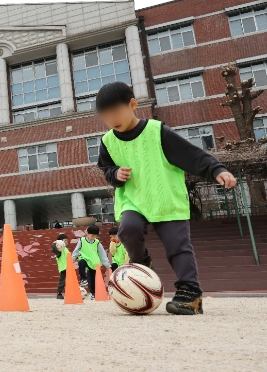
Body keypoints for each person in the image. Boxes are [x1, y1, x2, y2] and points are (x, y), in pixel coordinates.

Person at [96, 82, 236, 315]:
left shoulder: (157, 131)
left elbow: (191, 155)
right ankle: (142, 264)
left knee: (177, 247)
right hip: (134, 200)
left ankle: (189, 294)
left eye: (116, 112)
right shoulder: (108, 141)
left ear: (132, 105)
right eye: (106, 116)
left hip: (166, 200)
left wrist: (217, 170)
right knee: (128, 229)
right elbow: (106, 169)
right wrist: (115, 175)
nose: (112, 120)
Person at [72, 225, 110, 300]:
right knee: (81, 263)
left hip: (94, 263)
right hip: (85, 259)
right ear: (87, 233)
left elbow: (102, 254)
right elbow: (76, 251)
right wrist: (71, 260)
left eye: (95, 236)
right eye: (92, 235)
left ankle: (93, 293)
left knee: (92, 279)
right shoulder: (82, 240)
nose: (93, 237)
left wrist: (107, 265)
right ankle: (83, 278)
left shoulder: (97, 242)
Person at [51, 233, 69, 299]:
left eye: (67, 241)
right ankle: (59, 293)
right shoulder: (59, 250)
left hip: (69, 268)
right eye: (65, 240)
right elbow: (54, 250)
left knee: (69, 281)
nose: (66, 242)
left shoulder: (66, 249)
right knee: (62, 281)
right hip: (63, 268)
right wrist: (54, 244)